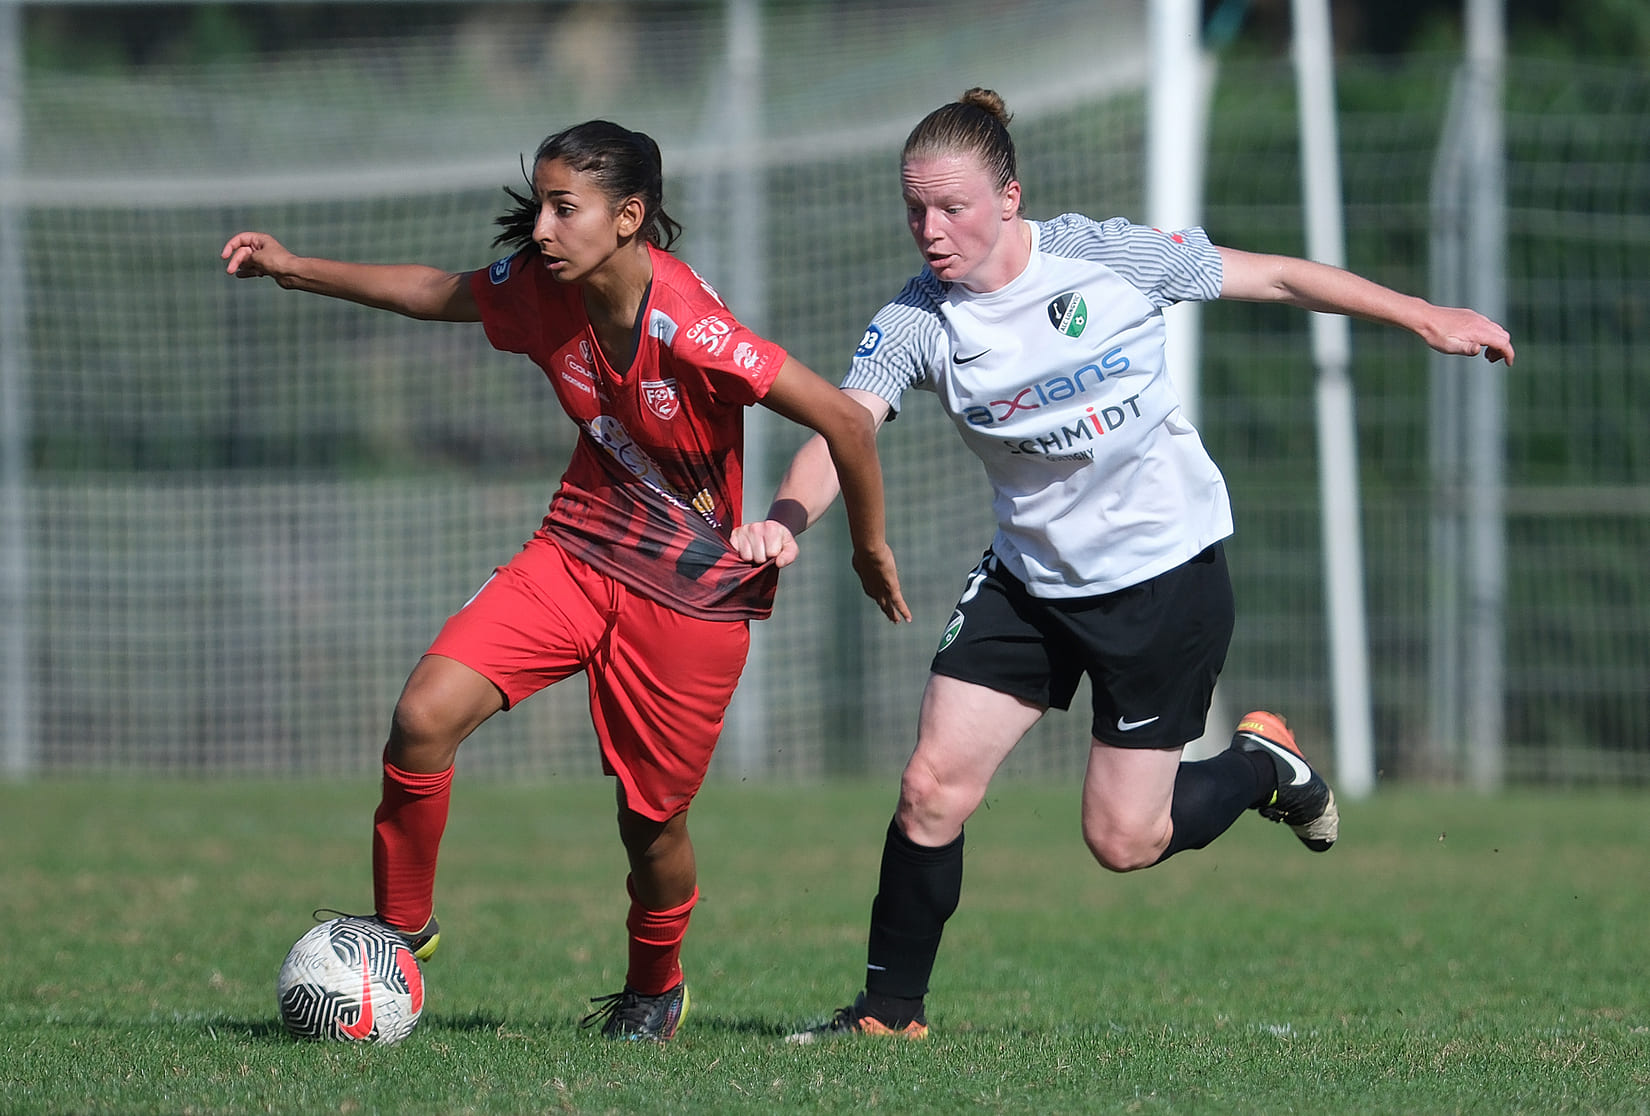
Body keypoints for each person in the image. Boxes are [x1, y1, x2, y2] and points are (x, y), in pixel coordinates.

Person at [731, 88, 1514, 1042]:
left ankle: (1262, 767)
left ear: (1010, 196)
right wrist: (783, 519)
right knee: (931, 788)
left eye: (954, 207)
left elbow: (1273, 277)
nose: (930, 231)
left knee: (1123, 840)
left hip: (1163, 581)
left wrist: (1422, 313)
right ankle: (891, 1018)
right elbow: (845, 427)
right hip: (1029, 582)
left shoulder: (1104, 257)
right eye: (915, 210)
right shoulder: (918, 319)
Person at [221, 119, 909, 1043]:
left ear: (628, 218)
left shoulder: (692, 327)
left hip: (689, 595)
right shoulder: (545, 290)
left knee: (650, 826)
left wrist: (868, 550)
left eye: (562, 208)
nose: (539, 228)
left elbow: (846, 424)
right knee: (425, 714)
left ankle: (655, 988)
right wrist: (294, 266)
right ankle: (397, 933)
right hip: (579, 549)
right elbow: (435, 292)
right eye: (540, 203)